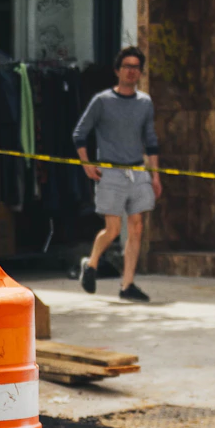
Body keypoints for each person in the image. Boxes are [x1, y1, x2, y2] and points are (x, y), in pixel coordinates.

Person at [75, 45, 162, 302]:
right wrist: (86, 163)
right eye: (127, 66)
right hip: (110, 172)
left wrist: (155, 175)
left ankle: (127, 285)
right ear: (117, 71)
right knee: (112, 230)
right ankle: (90, 264)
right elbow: (80, 133)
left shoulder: (145, 102)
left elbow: (151, 139)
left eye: (136, 67)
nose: (132, 71)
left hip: (137, 171)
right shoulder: (102, 101)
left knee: (137, 227)